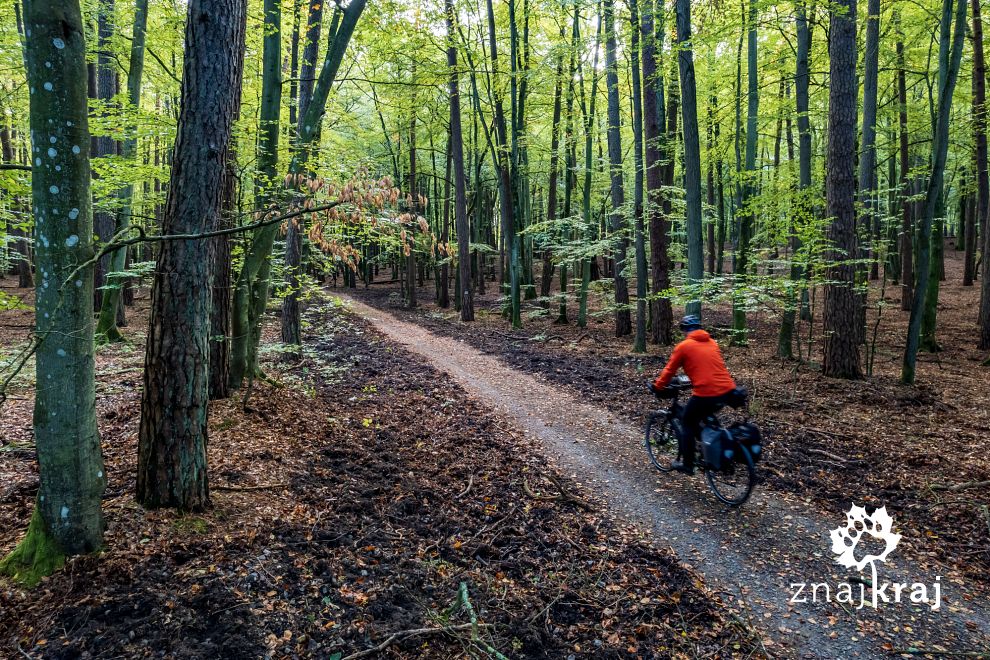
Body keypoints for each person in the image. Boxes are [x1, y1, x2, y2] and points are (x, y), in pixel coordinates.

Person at [651, 315, 738, 474]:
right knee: (706, 419)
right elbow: (709, 367)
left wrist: (658, 386)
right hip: (727, 391)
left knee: (687, 422)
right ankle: (716, 452)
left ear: (684, 330)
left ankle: (688, 464)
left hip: (706, 392)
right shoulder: (712, 343)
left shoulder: (684, 346)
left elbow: (669, 370)